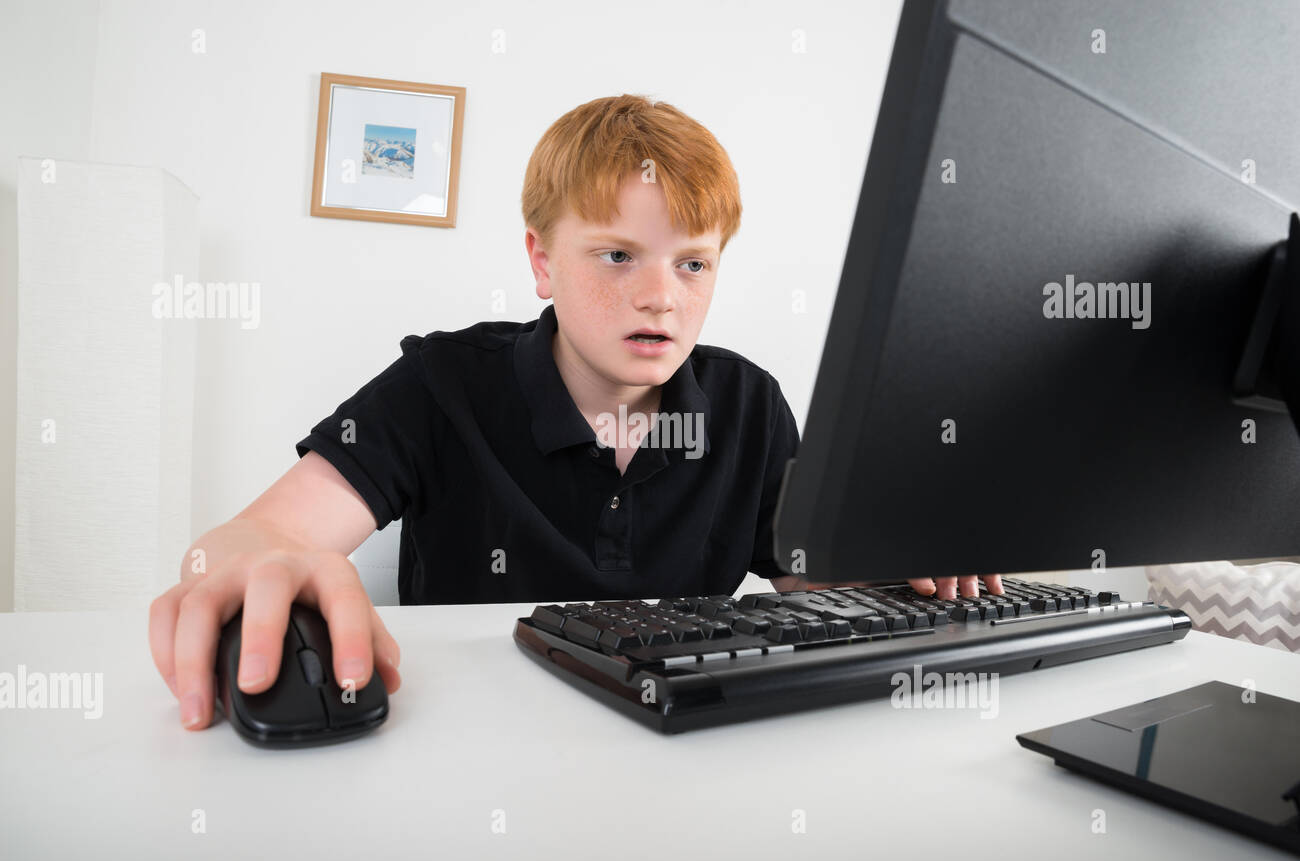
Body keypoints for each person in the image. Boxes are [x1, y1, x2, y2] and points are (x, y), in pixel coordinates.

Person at [148, 94, 1003, 732]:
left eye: (694, 265)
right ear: (542, 260)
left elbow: (812, 575)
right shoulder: (441, 382)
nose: (662, 297)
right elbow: (261, 536)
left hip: (683, 756)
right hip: (473, 746)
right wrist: (248, 566)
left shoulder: (748, 402)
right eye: (618, 254)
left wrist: (903, 556)